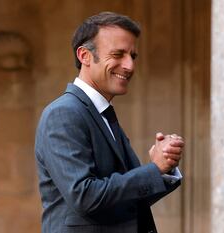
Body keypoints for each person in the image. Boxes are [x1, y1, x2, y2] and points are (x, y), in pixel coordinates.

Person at [35, 12, 184, 233]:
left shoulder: (101, 112)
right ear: (85, 55)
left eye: (133, 56)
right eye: (118, 54)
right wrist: (153, 170)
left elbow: (129, 200)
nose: (130, 65)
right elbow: (85, 197)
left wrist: (164, 167)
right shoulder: (64, 113)